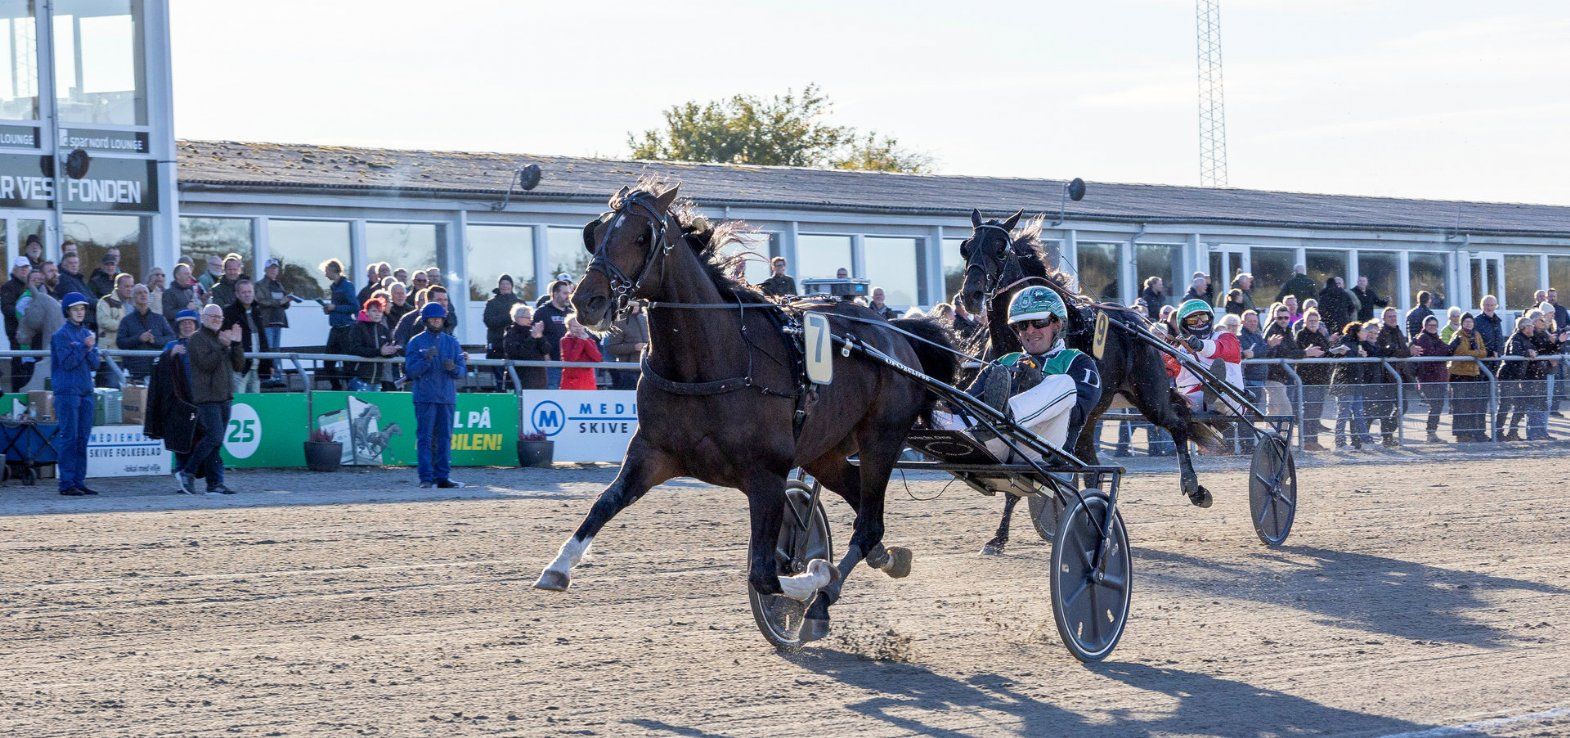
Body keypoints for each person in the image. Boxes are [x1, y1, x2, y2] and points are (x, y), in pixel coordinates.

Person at [945, 286, 1104, 483]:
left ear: (1057, 324)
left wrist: (1036, 386)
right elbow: (966, 405)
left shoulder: (1077, 361)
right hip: (997, 444)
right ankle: (923, 424)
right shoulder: (1004, 362)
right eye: (1022, 325)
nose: (1030, 330)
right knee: (937, 410)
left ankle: (1003, 418)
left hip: (1047, 449)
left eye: (1039, 322)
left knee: (1064, 383)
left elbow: (1077, 413)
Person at [181, 304, 244, 495]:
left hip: (224, 396)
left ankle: (214, 483)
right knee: (214, 437)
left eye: (219, 317)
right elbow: (206, 364)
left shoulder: (222, 339)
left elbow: (239, 365)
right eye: (213, 316)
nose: (217, 319)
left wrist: (237, 344)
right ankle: (188, 472)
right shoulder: (196, 339)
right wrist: (224, 347)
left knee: (216, 442)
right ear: (203, 317)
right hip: (207, 398)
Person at [404, 302, 465, 489]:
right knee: (425, 438)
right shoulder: (416, 342)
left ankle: (443, 477)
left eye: (439, 318)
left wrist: (453, 368)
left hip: (446, 398)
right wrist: (426, 360)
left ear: (443, 319)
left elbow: (462, 371)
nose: (436, 321)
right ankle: (426, 478)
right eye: (433, 318)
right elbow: (411, 372)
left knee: (445, 438)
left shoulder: (452, 342)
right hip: (425, 397)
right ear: (426, 320)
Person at [50, 293, 101, 496]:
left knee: (82, 438)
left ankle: (78, 481)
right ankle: (66, 483)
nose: (80, 312)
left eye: (82, 309)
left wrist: (87, 348)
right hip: (67, 392)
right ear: (67, 312)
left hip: (85, 391)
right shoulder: (60, 335)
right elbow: (67, 363)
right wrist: (85, 347)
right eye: (75, 309)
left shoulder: (86, 334)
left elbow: (95, 363)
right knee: (69, 437)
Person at [144, 310, 200, 489]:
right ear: (178, 326)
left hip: (200, 399)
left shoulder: (202, 344)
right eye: (184, 323)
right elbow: (158, 369)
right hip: (179, 402)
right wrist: (170, 355)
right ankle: (181, 471)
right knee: (180, 439)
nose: (187, 325)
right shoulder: (170, 346)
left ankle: (191, 473)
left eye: (190, 322)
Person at [1167, 299, 1243, 416]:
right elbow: (1163, 371)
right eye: (1193, 320)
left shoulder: (1225, 337)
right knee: (1177, 405)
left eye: (1203, 317)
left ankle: (1215, 388)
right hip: (1194, 402)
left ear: (1210, 318)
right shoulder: (1178, 350)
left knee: (1220, 395)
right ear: (1184, 324)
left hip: (1231, 398)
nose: (1200, 323)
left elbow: (1222, 348)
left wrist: (1201, 345)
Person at [1289, 308, 1332, 450]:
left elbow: (1326, 353)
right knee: (1309, 410)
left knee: (1317, 410)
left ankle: (1313, 440)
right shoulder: (1301, 335)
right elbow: (1299, 353)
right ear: (1305, 322)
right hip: (1308, 378)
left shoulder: (1321, 335)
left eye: (1315, 321)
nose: (1313, 323)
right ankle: (1308, 441)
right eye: (1310, 321)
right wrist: (1309, 353)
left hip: (1321, 378)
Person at [116, 284, 175, 382]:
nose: (143, 295)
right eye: (139, 293)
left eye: (145, 292)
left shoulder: (159, 319)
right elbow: (120, 342)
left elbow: (171, 338)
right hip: (136, 370)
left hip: (158, 367)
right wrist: (139, 339)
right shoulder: (126, 320)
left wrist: (155, 340)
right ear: (133, 297)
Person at [1330, 321, 1374, 450]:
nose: (1366, 333)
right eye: (1363, 330)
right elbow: (1342, 354)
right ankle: (1340, 442)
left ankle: (1365, 440)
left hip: (1354, 383)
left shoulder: (1357, 344)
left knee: (1358, 412)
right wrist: (1358, 354)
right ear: (1356, 332)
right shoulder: (1346, 341)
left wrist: (1361, 355)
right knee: (1344, 413)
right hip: (1345, 383)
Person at [16, 267, 61, 392]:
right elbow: (25, 320)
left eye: (39, 279)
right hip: (31, 348)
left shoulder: (45, 297)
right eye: (33, 279)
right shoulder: (26, 298)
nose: (37, 281)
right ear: (28, 281)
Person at [1410, 315, 1452, 443]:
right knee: (1436, 405)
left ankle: (1431, 432)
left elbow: (1446, 350)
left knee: (1438, 405)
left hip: (1438, 377)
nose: (1433, 328)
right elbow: (1433, 354)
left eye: (1435, 325)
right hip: (1428, 378)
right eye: (1430, 325)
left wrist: (1450, 347)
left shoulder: (1435, 338)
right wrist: (1445, 350)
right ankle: (1430, 433)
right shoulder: (1423, 338)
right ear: (1425, 326)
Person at [1447, 313, 1489, 442]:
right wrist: (1476, 354)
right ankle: (1461, 434)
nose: (1468, 324)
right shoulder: (1458, 335)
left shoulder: (1476, 335)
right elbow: (1462, 351)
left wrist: (1475, 354)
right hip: (1459, 374)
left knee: (1472, 405)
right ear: (1462, 323)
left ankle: (1470, 432)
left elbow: (1484, 351)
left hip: (1473, 374)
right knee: (1460, 405)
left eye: (1470, 322)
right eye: (1466, 322)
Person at [221, 278, 268, 393]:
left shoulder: (257, 310)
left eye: (249, 292)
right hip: (238, 369)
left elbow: (262, 338)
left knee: (255, 404)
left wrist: (268, 363)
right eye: (244, 292)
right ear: (237, 294)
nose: (247, 295)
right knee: (238, 402)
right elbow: (224, 338)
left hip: (256, 367)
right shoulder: (228, 312)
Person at [1494, 316, 1535, 442]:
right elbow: (1514, 353)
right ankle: (1498, 433)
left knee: (1520, 405)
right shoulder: (1516, 338)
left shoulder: (1526, 339)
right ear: (1524, 327)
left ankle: (1512, 431)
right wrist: (1528, 353)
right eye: (1530, 326)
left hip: (1516, 377)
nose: (1532, 328)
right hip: (1508, 376)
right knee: (1505, 405)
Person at [345, 298, 397, 391]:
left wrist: (391, 352)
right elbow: (354, 349)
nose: (377, 313)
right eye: (374, 311)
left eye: (380, 311)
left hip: (377, 381)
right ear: (366, 312)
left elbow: (389, 351)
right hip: (360, 380)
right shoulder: (358, 327)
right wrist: (379, 352)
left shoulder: (384, 329)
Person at [254, 259, 292, 383]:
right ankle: (267, 376)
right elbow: (260, 301)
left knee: (276, 350)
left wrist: (287, 301)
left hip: (278, 322)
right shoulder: (259, 285)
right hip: (267, 322)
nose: (273, 271)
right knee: (268, 350)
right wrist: (279, 302)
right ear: (265, 270)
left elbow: (283, 302)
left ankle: (277, 376)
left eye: (275, 268)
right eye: (271, 268)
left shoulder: (279, 285)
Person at [534, 280, 574, 388]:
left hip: (570, 365)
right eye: (565, 293)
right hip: (551, 364)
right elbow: (536, 337)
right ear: (555, 294)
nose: (568, 296)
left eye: (569, 293)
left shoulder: (571, 313)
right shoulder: (542, 312)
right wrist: (546, 357)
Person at [482, 274, 521, 384]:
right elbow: (489, 321)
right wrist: (509, 317)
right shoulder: (492, 303)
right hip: (497, 346)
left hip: (516, 347)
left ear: (512, 286)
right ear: (498, 286)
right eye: (502, 284)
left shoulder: (519, 303)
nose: (505, 286)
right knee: (499, 380)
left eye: (507, 283)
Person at [503, 304, 552, 389]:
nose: (530, 320)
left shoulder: (533, 331)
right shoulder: (511, 333)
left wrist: (540, 337)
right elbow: (520, 353)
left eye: (531, 317)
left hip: (539, 377)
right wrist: (532, 337)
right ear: (517, 317)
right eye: (527, 317)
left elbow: (546, 350)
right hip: (520, 377)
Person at [604, 301, 648, 390]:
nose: (635, 306)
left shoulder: (645, 319)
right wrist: (634, 347)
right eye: (632, 305)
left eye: (636, 304)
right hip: (628, 371)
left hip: (646, 369)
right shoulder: (618, 323)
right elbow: (612, 347)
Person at [2, 257, 29, 389]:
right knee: (18, 365)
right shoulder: (8, 286)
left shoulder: (29, 286)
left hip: (29, 334)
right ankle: (16, 394)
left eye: (26, 268)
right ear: (15, 269)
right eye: (21, 268)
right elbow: (6, 308)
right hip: (16, 333)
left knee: (27, 366)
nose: (24, 270)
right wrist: (24, 315)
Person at [559, 317, 602, 390]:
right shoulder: (565, 340)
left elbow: (598, 358)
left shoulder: (589, 340)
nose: (578, 328)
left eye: (580, 326)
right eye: (575, 326)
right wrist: (581, 341)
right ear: (568, 327)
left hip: (588, 383)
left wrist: (586, 341)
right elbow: (571, 359)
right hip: (571, 384)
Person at [96, 273, 134, 344]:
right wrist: (125, 326)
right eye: (126, 286)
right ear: (117, 286)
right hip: (109, 350)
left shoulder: (133, 304)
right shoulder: (106, 301)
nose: (130, 289)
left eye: (132, 286)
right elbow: (104, 322)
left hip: (127, 348)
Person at [321, 259, 357, 328]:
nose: (325, 275)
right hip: (335, 327)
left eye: (326, 272)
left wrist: (335, 307)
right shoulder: (334, 287)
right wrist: (329, 310)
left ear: (333, 270)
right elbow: (337, 306)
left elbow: (354, 307)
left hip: (346, 327)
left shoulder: (347, 286)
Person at [1474, 295, 1505, 369]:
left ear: (1495, 306)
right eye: (1487, 305)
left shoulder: (1497, 321)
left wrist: (1497, 351)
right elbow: (1474, 341)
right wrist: (1487, 353)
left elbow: (1499, 339)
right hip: (1482, 360)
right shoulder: (1476, 321)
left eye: (1492, 305)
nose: (1489, 307)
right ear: (1482, 306)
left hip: (1495, 359)